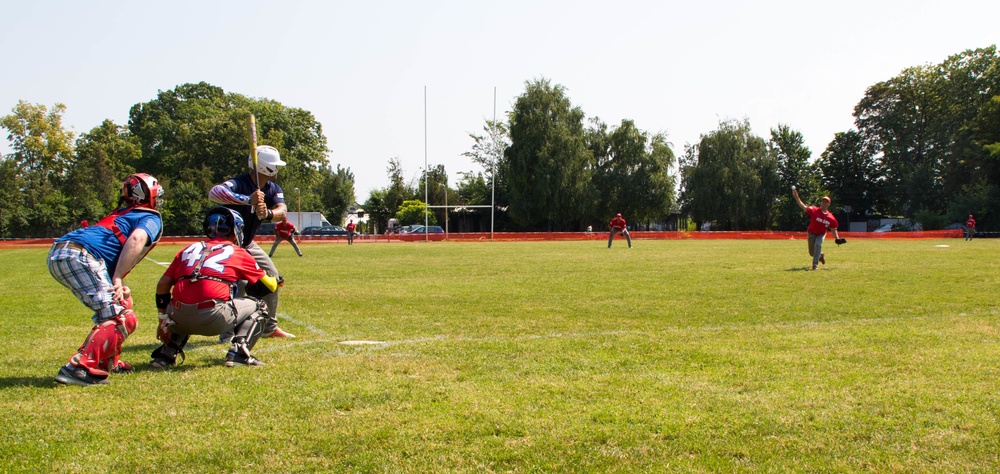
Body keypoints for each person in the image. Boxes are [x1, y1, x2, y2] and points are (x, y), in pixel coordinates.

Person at [49, 173, 164, 386]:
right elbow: (137, 238)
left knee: (120, 304)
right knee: (122, 316)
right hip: (81, 255)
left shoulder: (121, 213)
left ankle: (107, 361)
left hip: (62, 251)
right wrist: (118, 277)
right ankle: (79, 367)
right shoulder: (150, 217)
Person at [150, 207, 279, 368]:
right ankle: (238, 353)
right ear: (235, 230)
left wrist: (163, 320)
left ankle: (166, 354)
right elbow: (270, 285)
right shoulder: (238, 252)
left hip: (177, 318)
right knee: (260, 306)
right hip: (213, 319)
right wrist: (276, 279)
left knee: (184, 302)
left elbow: (162, 285)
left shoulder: (187, 249)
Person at [209, 145, 295, 339]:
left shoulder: (273, 188)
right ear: (265, 167)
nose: (277, 169)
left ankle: (268, 327)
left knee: (271, 277)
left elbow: (282, 210)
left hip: (247, 243)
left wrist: (268, 213)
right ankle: (228, 332)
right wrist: (247, 199)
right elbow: (214, 193)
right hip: (227, 244)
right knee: (237, 283)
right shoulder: (240, 183)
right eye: (275, 165)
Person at [791, 186, 844, 270]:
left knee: (818, 244)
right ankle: (820, 256)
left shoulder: (831, 217)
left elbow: (833, 228)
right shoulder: (815, 210)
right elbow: (803, 207)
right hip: (811, 233)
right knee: (812, 253)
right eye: (822, 201)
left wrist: (837, 238)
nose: (823, 203)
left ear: (828, 204)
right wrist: (796, 197)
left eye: (825, 202)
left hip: (821, 234)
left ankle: (815, 265)